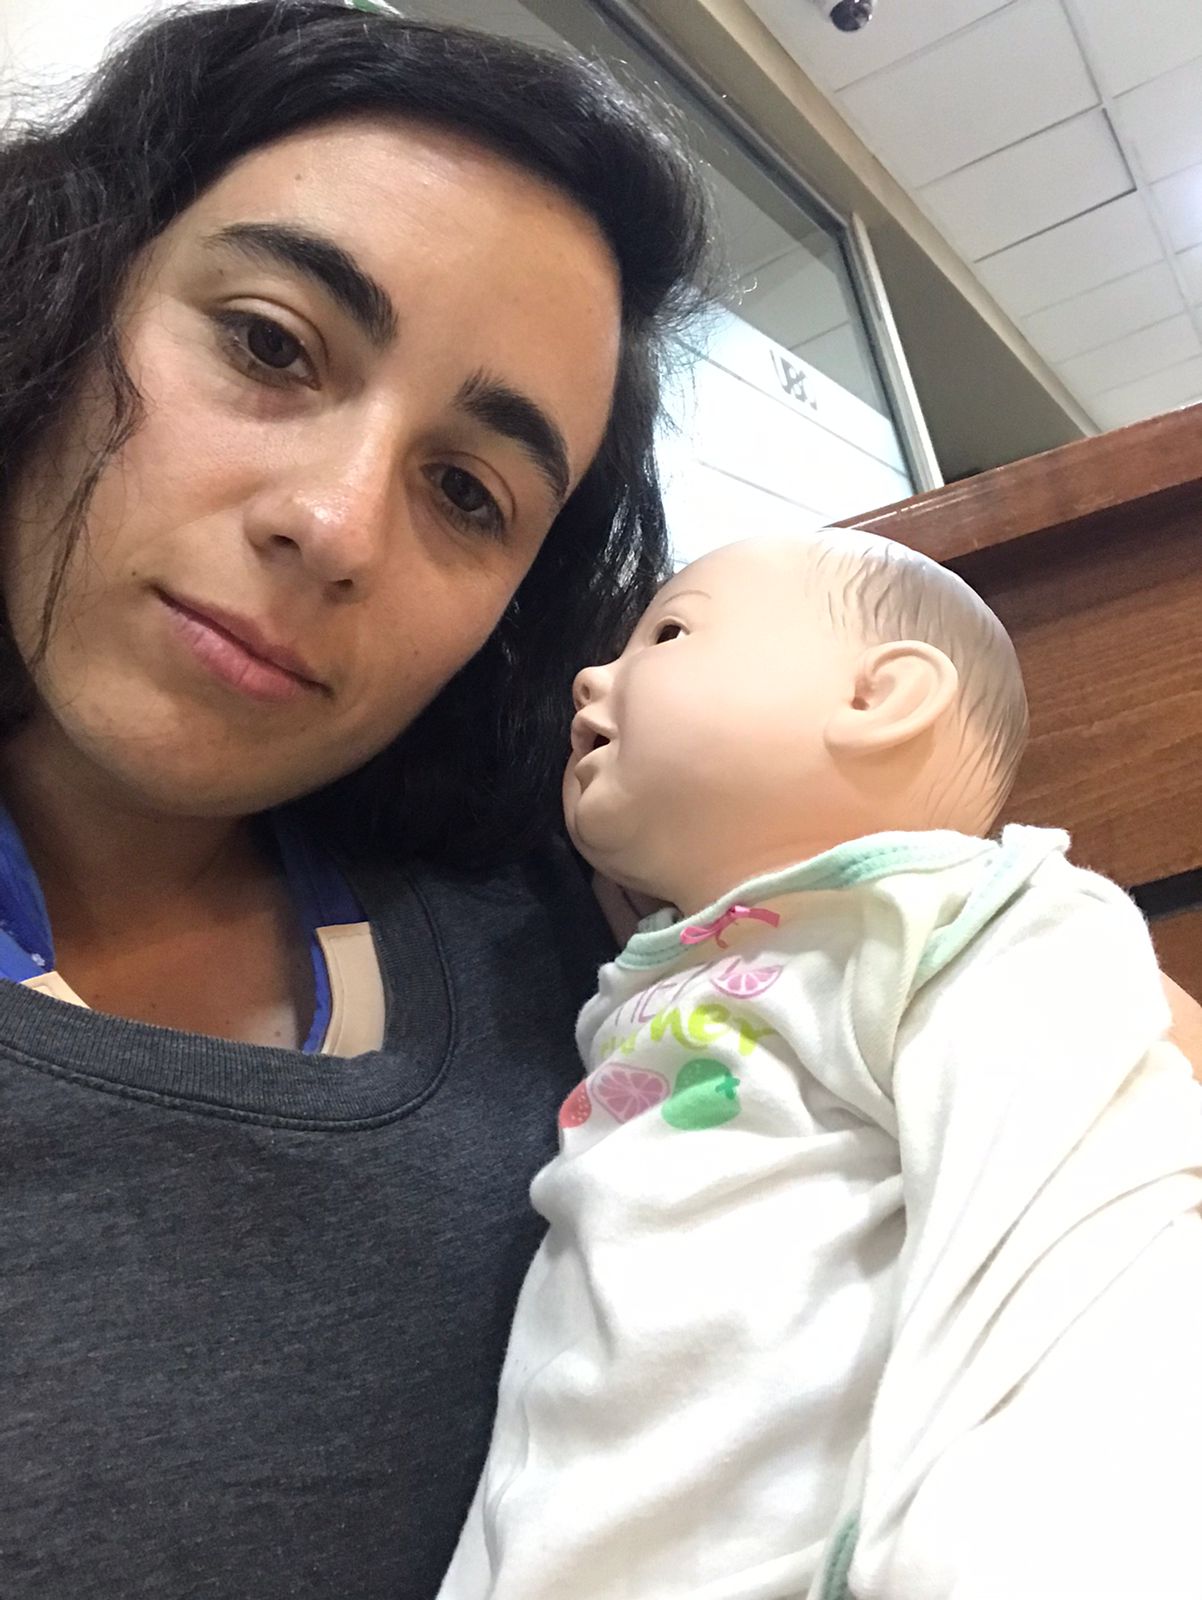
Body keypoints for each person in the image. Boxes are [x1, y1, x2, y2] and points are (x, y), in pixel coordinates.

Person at [0, 4, 710, 1596]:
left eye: (467, 492)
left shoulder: (582, 949)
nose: (335, 526)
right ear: (64, 279)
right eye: (270, 343)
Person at [441, 533, 1202, 1600]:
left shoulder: (954, 921)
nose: (590, 677)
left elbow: (1085, 1218)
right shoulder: (657, 966)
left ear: (881, 698)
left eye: (669, 631)